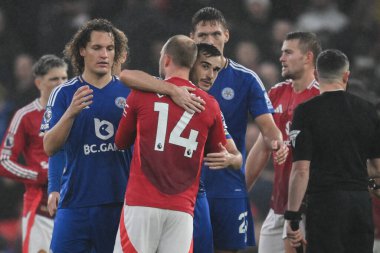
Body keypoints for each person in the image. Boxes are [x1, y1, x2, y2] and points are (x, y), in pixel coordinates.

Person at [113, 35, 227, 253]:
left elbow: (120, 142)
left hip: (141, 203)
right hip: (181, 209)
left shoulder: (140, 95)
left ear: (166, 60)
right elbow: (216, 154)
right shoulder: (210, 105)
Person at [190, 7, 285, 252]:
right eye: (202, 36)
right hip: (184, 184)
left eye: (215, 34)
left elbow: (270, 131)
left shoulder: (246, 79)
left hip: (227, 186)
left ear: (227, 36)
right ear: (192, 38)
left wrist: (278, 144)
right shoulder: (180, 78)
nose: (209, 41)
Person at [40, 19, 132, 252]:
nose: (104, 54)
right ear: (82, 50)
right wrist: (71, 112)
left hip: (120, 201)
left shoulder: (129, 92)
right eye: (97, 48)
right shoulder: (64, 93)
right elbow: (50, 147)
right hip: (75, 202)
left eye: (110, 49)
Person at [286, 49, 380, 253]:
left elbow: (301, 170)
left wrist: (292, 215)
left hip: (324, 203)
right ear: (346, 75)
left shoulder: (305, 111)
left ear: (317, 75)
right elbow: (377, 167)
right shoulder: (368, 110)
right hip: (360, 204)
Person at [245, 31, 321, 253]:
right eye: (281, 52)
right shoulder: (277, 93)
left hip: (306, 210)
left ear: (308, 57)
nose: (282, 58)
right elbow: (261, 148)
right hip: (276, 206)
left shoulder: (321, 98)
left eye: (288, 52)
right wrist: (240, 194)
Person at [0, 54, 68, 252]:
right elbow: (4, 161)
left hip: (75, 205)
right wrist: (38, 175)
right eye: (54, 79)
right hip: (41, 207)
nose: (60, 83)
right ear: (39, 83)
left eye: (64, 78)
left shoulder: (78, 113)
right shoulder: (25, 115)